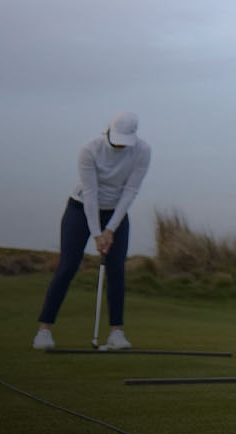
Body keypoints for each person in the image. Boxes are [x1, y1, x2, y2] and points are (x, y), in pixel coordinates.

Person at [33, 112, 152, 351]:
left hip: (116, 212)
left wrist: (110, 229)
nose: (119, 145)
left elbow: (130, 191)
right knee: (67, 266)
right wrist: (98, 233)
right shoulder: (90, 149)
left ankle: (116, 333)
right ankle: (44, 331)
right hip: (81, 208)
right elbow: (90, 193)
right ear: (108, 131)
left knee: (117, 269)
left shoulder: (142, 150)